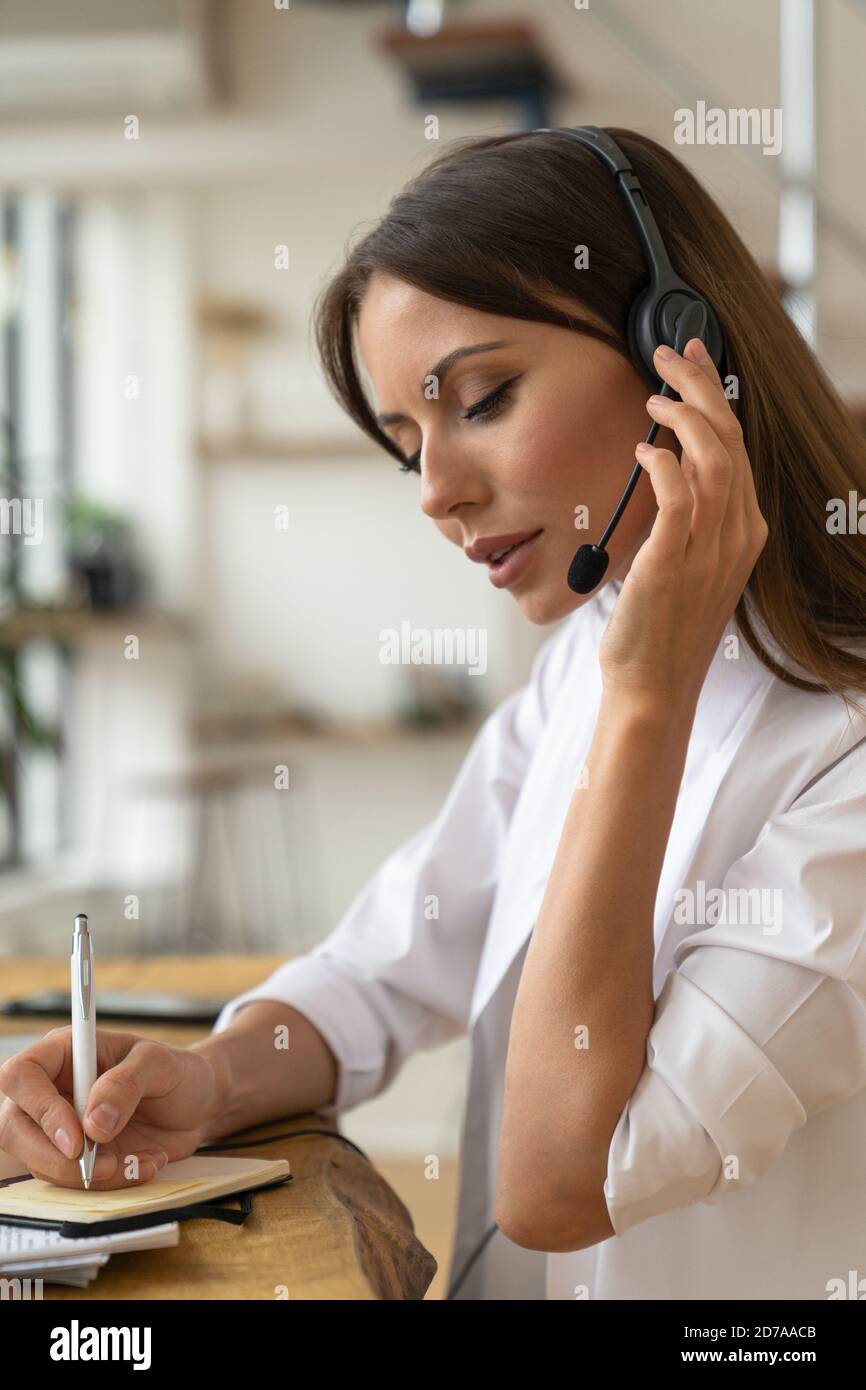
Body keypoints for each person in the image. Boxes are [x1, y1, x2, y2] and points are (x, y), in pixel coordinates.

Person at [2, 127, 866, 1301]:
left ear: (683, 350)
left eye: (482, 399)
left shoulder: (818, 739)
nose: (436, 493)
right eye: (407, 443)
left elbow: (562, 1185)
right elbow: (383, 967)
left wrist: (647, 703)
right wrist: (203, 1081)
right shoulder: (587, 662)